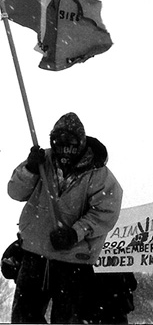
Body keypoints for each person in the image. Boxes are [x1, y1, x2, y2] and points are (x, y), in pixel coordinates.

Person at [7, 112, 123, 323]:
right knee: (24, 319)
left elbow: (106, 212)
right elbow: (15, 192)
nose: (63, 149)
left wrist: (75, 233)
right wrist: (29, 170)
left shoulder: (99, 175)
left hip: (73, 262)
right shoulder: (42, 162)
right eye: (58, 142)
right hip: (34, 255)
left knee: (69, 320)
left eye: (70, 143)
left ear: (81, 142)